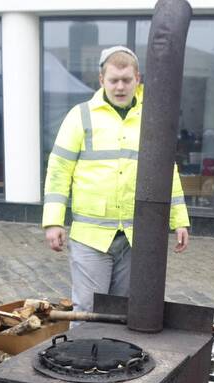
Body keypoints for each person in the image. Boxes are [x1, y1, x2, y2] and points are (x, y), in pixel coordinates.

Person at [43, 45, 190, 314]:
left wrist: (179, 220)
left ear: (138, 79)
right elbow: (59, 169)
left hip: (136, 236)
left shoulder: (152, 119)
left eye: (126, 80)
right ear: (102, 81)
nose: (120, 87)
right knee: (88, 310)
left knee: (122, 311)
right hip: (91, 237)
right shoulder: (81, 116)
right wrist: (53, 221)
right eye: (113, 80)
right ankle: (81, 356)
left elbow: (168, 171)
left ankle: (117, 357)